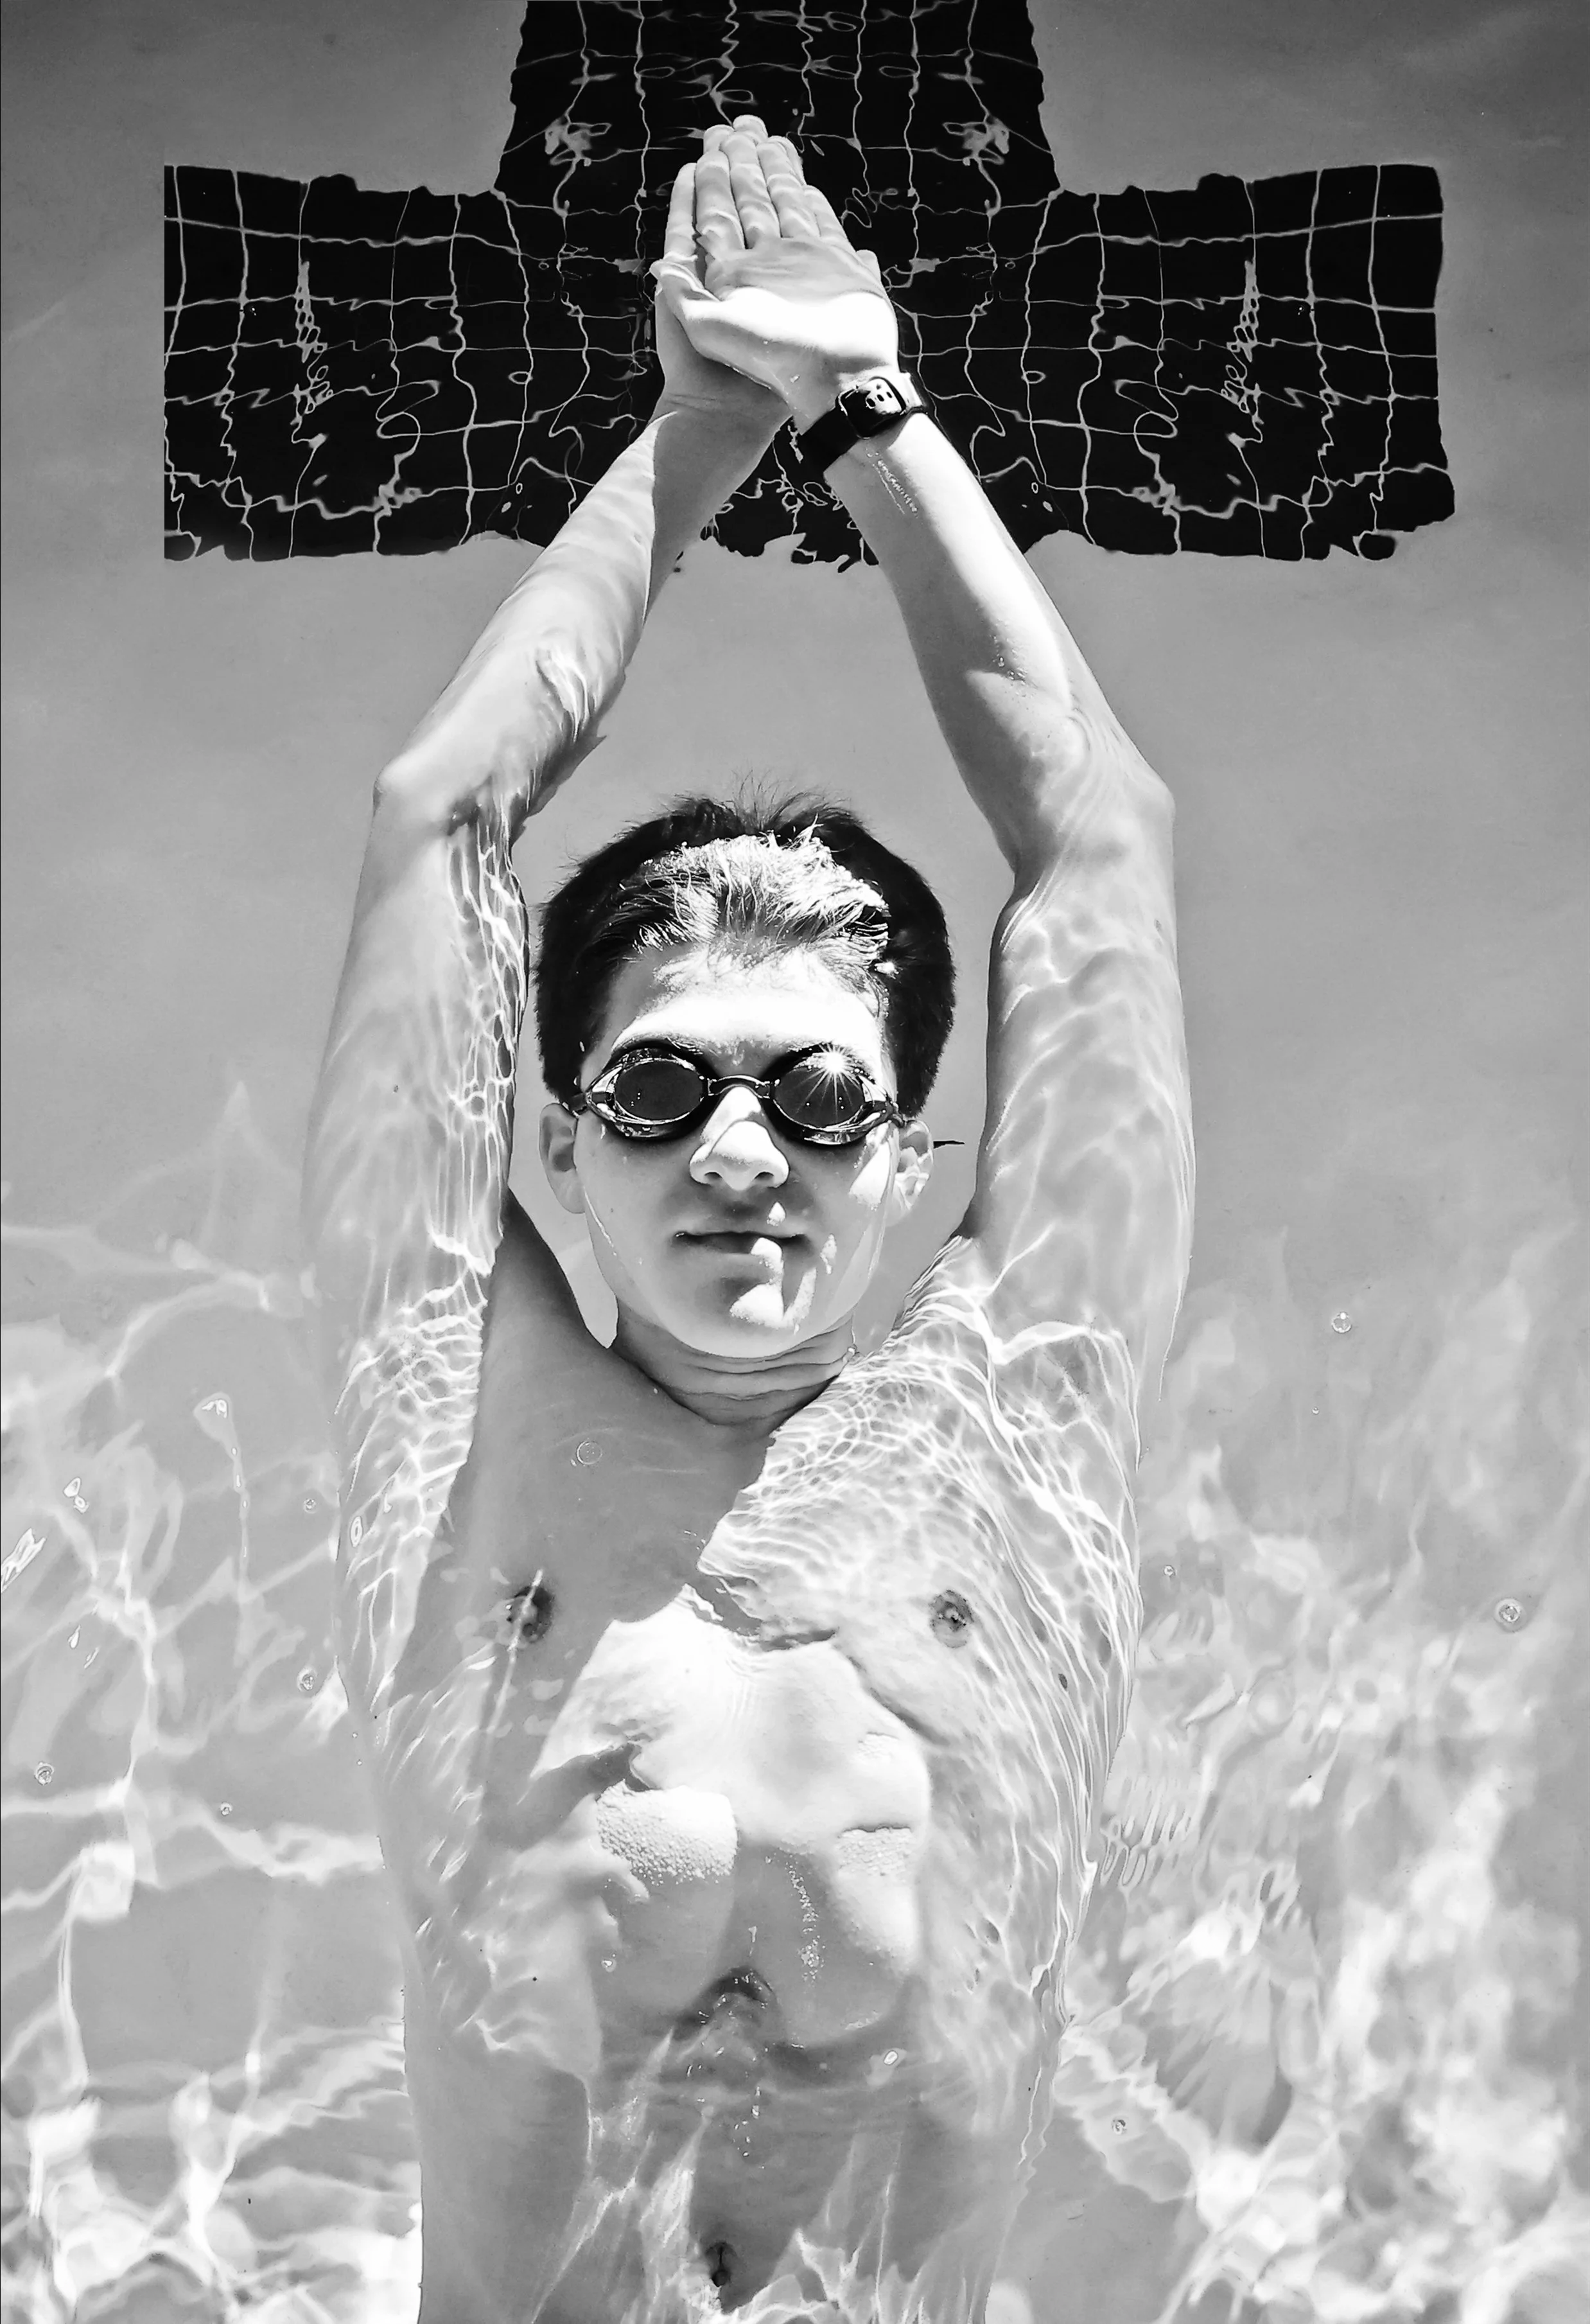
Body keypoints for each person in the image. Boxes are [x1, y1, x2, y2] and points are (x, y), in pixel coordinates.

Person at [302, 114, 1193, 2324]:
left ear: (908, 1147)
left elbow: (1099, 853)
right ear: (556, 1126)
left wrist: (859, 410)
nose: (737, 1151)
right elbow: (442, 821)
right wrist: (697, 435)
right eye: (660, 1082)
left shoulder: (1025, 1410)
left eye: (816, 1097)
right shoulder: (460, 1412)